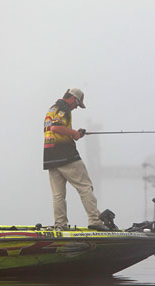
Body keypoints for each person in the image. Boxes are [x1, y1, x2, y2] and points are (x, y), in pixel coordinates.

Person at [43, 88, 109, 231]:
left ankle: (60, 225)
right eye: (77, 105)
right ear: (73, 99)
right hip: (66, 155)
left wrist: (75, 133)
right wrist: (73, 133)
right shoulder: (63, 108)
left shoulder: (52, 108)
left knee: (58, 195)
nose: (76, 108)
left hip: (50, 156)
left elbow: (56, 128)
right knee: (85, 187)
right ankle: (95, 221)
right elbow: (55, 128)